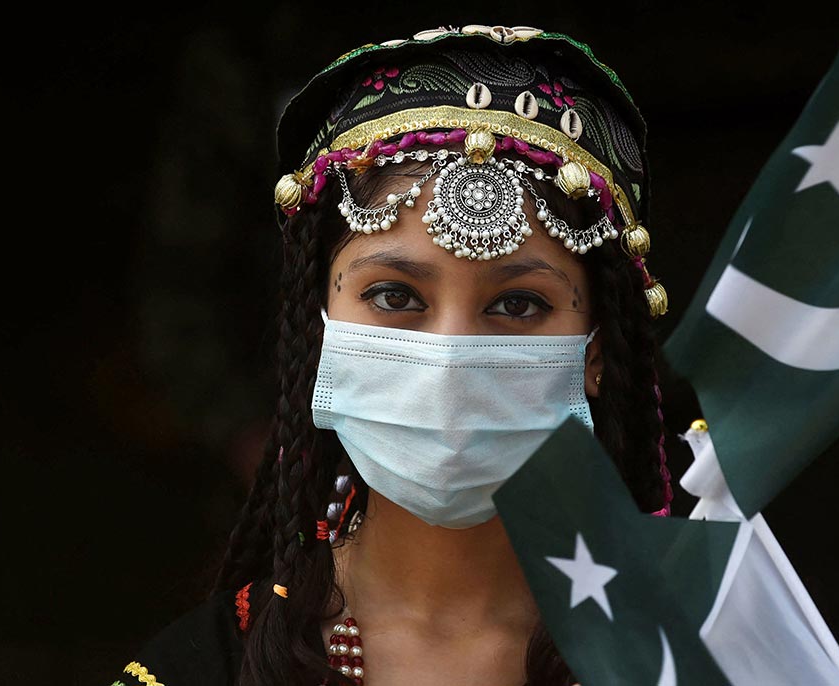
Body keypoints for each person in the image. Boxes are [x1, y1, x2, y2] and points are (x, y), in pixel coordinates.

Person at [111, 24, 675, 686]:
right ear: (317, 330)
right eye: (394, 296)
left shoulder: (695, 657)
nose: (449, 356)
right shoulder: (199, 671)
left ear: (595, 353)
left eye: (517, 305)